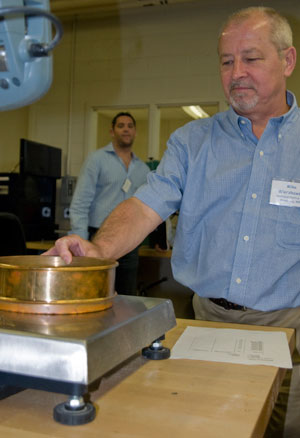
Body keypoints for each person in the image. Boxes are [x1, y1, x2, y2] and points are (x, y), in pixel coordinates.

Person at [45, 7, 299, 437]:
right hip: (205, 324)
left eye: (251, 58)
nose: (236, 72)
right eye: (226, 61)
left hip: (289, 329)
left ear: (288, 60)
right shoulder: (192, 141)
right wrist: (99, 249)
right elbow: (146, 205)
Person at [68, 111, 149, 295]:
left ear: (135, 132)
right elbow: (80, 202)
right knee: (95, 292)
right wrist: (80, 239)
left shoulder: (142, 169)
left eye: (130, 126)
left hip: (130, 241)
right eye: (121, 126)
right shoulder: (96, 160)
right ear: (112, 131)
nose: (126, 130)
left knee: (127, 296)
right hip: (98, 237)